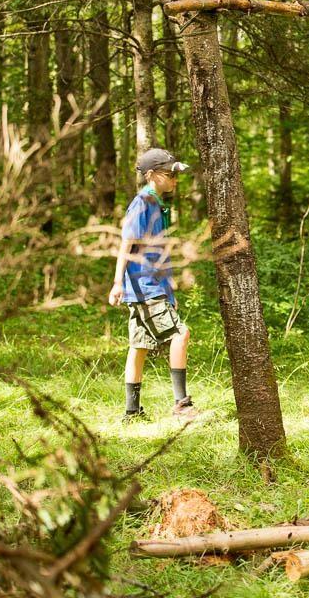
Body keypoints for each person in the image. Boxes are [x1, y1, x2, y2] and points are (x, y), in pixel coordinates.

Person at [108, 148, 198, 422]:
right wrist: (116, 283)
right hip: (144, 287)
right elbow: (127, 243)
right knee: (181, 335)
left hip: (152, 287)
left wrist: (168, 290)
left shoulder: (157, 203)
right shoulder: (143, 202)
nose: (175, 178)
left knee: (139, 346)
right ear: (152, 175)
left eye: (175, 173)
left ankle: (131, 412)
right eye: (170, 173)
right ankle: (181, 406)